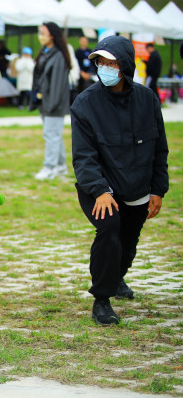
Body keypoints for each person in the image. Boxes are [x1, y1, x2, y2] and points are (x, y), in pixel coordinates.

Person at [71, 36, 169, 326]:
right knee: (110, 228)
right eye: (100, 62)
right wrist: (100, 190)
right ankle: (102, 298)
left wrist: (158, 189)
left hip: (138, 185)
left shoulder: (147, 99)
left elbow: (160, 148)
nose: (104, 68)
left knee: (129, 240)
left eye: (111, 62)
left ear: (125, 65)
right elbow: (84, 157)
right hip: (100, 188)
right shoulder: (85, 103)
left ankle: (116, 278)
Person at [31, 22, 71, 180]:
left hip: (54, 102)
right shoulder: (45, 52)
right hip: (44, 100)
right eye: (40, 32)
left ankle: (49, 167)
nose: (41, 36)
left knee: (51, 135)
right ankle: (61, 166)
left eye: (43, 33)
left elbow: (57, 83)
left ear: (52, 35)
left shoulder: (59, 56)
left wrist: (52, 104)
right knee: (54, 134)